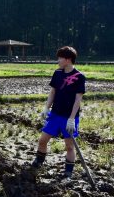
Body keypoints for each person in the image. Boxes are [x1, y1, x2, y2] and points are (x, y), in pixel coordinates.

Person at [31, 46, 86, 179]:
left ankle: (68, 172)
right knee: (43, 140)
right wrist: (46, 108)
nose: (58, 60)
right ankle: (39, 161)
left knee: (69, 146)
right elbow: (53, 92)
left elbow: (78, 99)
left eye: (60, 58)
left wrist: (72, 119)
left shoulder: (79, 77)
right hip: (55, 114)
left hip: (69, 117)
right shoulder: (57, 73)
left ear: (68, 59)